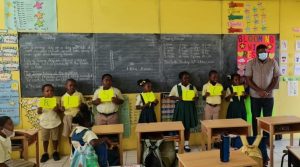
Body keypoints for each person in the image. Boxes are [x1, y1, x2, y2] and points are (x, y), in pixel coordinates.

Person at [245, 44, 280, 137]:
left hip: (269, 96)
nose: (263, 53)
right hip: (255, 97)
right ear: (256, 52)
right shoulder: (251, 63)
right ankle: (257, 139)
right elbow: (248, 79)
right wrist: (259, 91)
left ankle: (266, 139)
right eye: (260, 52)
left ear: (267, 52)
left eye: (265, 52)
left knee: (268, 119)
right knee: (255, 118)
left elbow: (276, 78)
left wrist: (267, 91)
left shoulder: (273, 62)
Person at [169, 71, 198, 152]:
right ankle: (177, 145)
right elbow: (170, 97)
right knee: (178, 126)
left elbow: (196, 97)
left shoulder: (192, 87)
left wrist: (195, 98)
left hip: (189, 108)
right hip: (180, 108)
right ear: (180, 79)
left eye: (188, 78)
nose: (187, 80)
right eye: (185, 78)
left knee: (187, 127)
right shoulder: (176, 87)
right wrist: (178, 98)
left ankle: (186, 144)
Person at [37, 84, 61, 162]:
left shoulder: (55, 99)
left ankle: (55, 151)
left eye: (51, 91)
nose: (49, 92)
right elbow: (39, 112)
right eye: (47, 91)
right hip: (44, 123)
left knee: (55, 138)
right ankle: (45, 153)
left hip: (54, 122)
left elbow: (58, 111)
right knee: (45, 139)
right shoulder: (41, 100)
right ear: (43, 92)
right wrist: (40, 109)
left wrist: (56, 109)